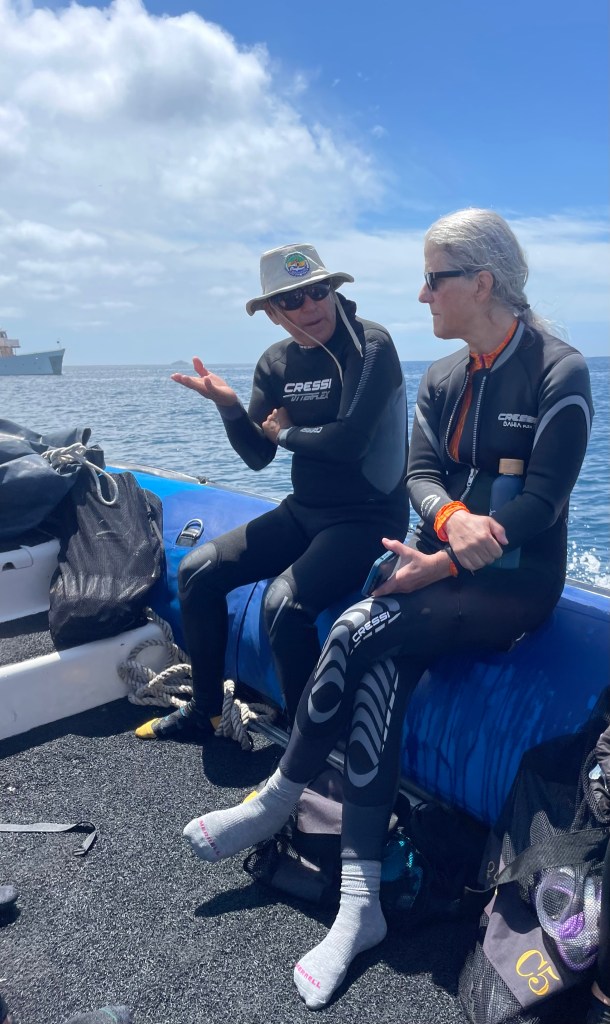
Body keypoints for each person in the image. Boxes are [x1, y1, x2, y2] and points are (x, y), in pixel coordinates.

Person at [180, 208, 595, 1010]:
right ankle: (360, 905)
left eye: (434, 279)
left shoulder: (558, 370)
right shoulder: (444, 376)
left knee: (354, 625)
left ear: (482, 282)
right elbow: (420, 473)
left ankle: (279, 796)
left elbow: (542, 502)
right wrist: (446, 527)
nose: (421, 295)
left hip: (515, 585)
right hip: (433, 566)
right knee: (378, 672)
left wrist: (448, 555)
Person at [136, 243, 409, 741]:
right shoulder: (276, 363)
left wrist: (285, 433)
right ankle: (205, 711)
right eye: (291, 299)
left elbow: (350, 443)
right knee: (197, 573)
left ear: (333, 290)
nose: (310, 306)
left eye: (318, 291)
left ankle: (310, 750)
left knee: (282, 604)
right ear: (271, 313)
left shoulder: (369, 345)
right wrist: (229, 408)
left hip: (368, 519)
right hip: (305, 511)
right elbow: (257, 457)